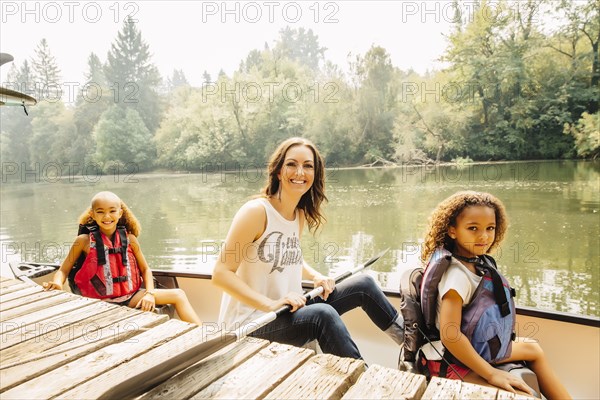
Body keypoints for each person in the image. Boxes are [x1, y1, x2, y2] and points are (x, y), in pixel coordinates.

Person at [212, 137, 405, 360]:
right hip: (251, 325)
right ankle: (362, 384)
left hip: (286, 311)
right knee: (322, 314)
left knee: (364, 284)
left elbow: (290, 256)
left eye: (308, 166)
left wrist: (316, 277)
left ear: (315, 174)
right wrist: (271, 304)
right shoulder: (256, 212)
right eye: (291, 164)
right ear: (277, 171)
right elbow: (220, 274)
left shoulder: (298, 215)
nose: (300, 172)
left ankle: (415, 348)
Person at [421, 191, 571, 399]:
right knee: (522, 395)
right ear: (452, 231)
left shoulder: (476, 263)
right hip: (452, 360)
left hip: (478, 345)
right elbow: (450, 335)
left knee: (533, 349)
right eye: (473, 228)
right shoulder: (457, 277)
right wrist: (491, 374)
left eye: (490, 228)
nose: (484, 236)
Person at [43, 191, 202, 325]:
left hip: (129, 296)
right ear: (92, 214)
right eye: (100, 211)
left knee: (178, 295)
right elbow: (63, 271)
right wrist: (57, 282)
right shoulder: (83, 241)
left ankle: (205, 336)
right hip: (98, 302)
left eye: (112, 211)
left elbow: (146, 270)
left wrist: (149, 294)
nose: (107, 216)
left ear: (120, 213)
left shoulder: (130, 239)